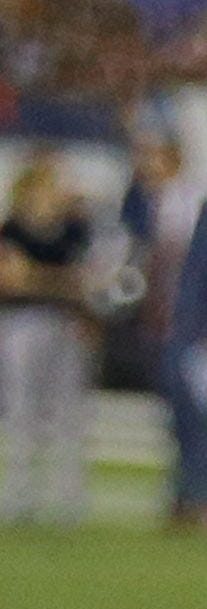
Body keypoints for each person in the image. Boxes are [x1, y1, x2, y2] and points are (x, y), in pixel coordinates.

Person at [122, 125, 207, 532]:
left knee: (204, 418)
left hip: (199, 328)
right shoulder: (148, 206)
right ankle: (184, 497)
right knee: (177, 419)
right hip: (160, 327)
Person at [0, 148, 97, 523]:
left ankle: (69, 497)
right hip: (23, 320)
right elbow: (11, 279)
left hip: (66, 322)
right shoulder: (13, 229)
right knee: (20, 409)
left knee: (68, 413)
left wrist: (41, 278)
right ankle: (19, 494)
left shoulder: (75, 230)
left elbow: (85, 280)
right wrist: (60, 281)